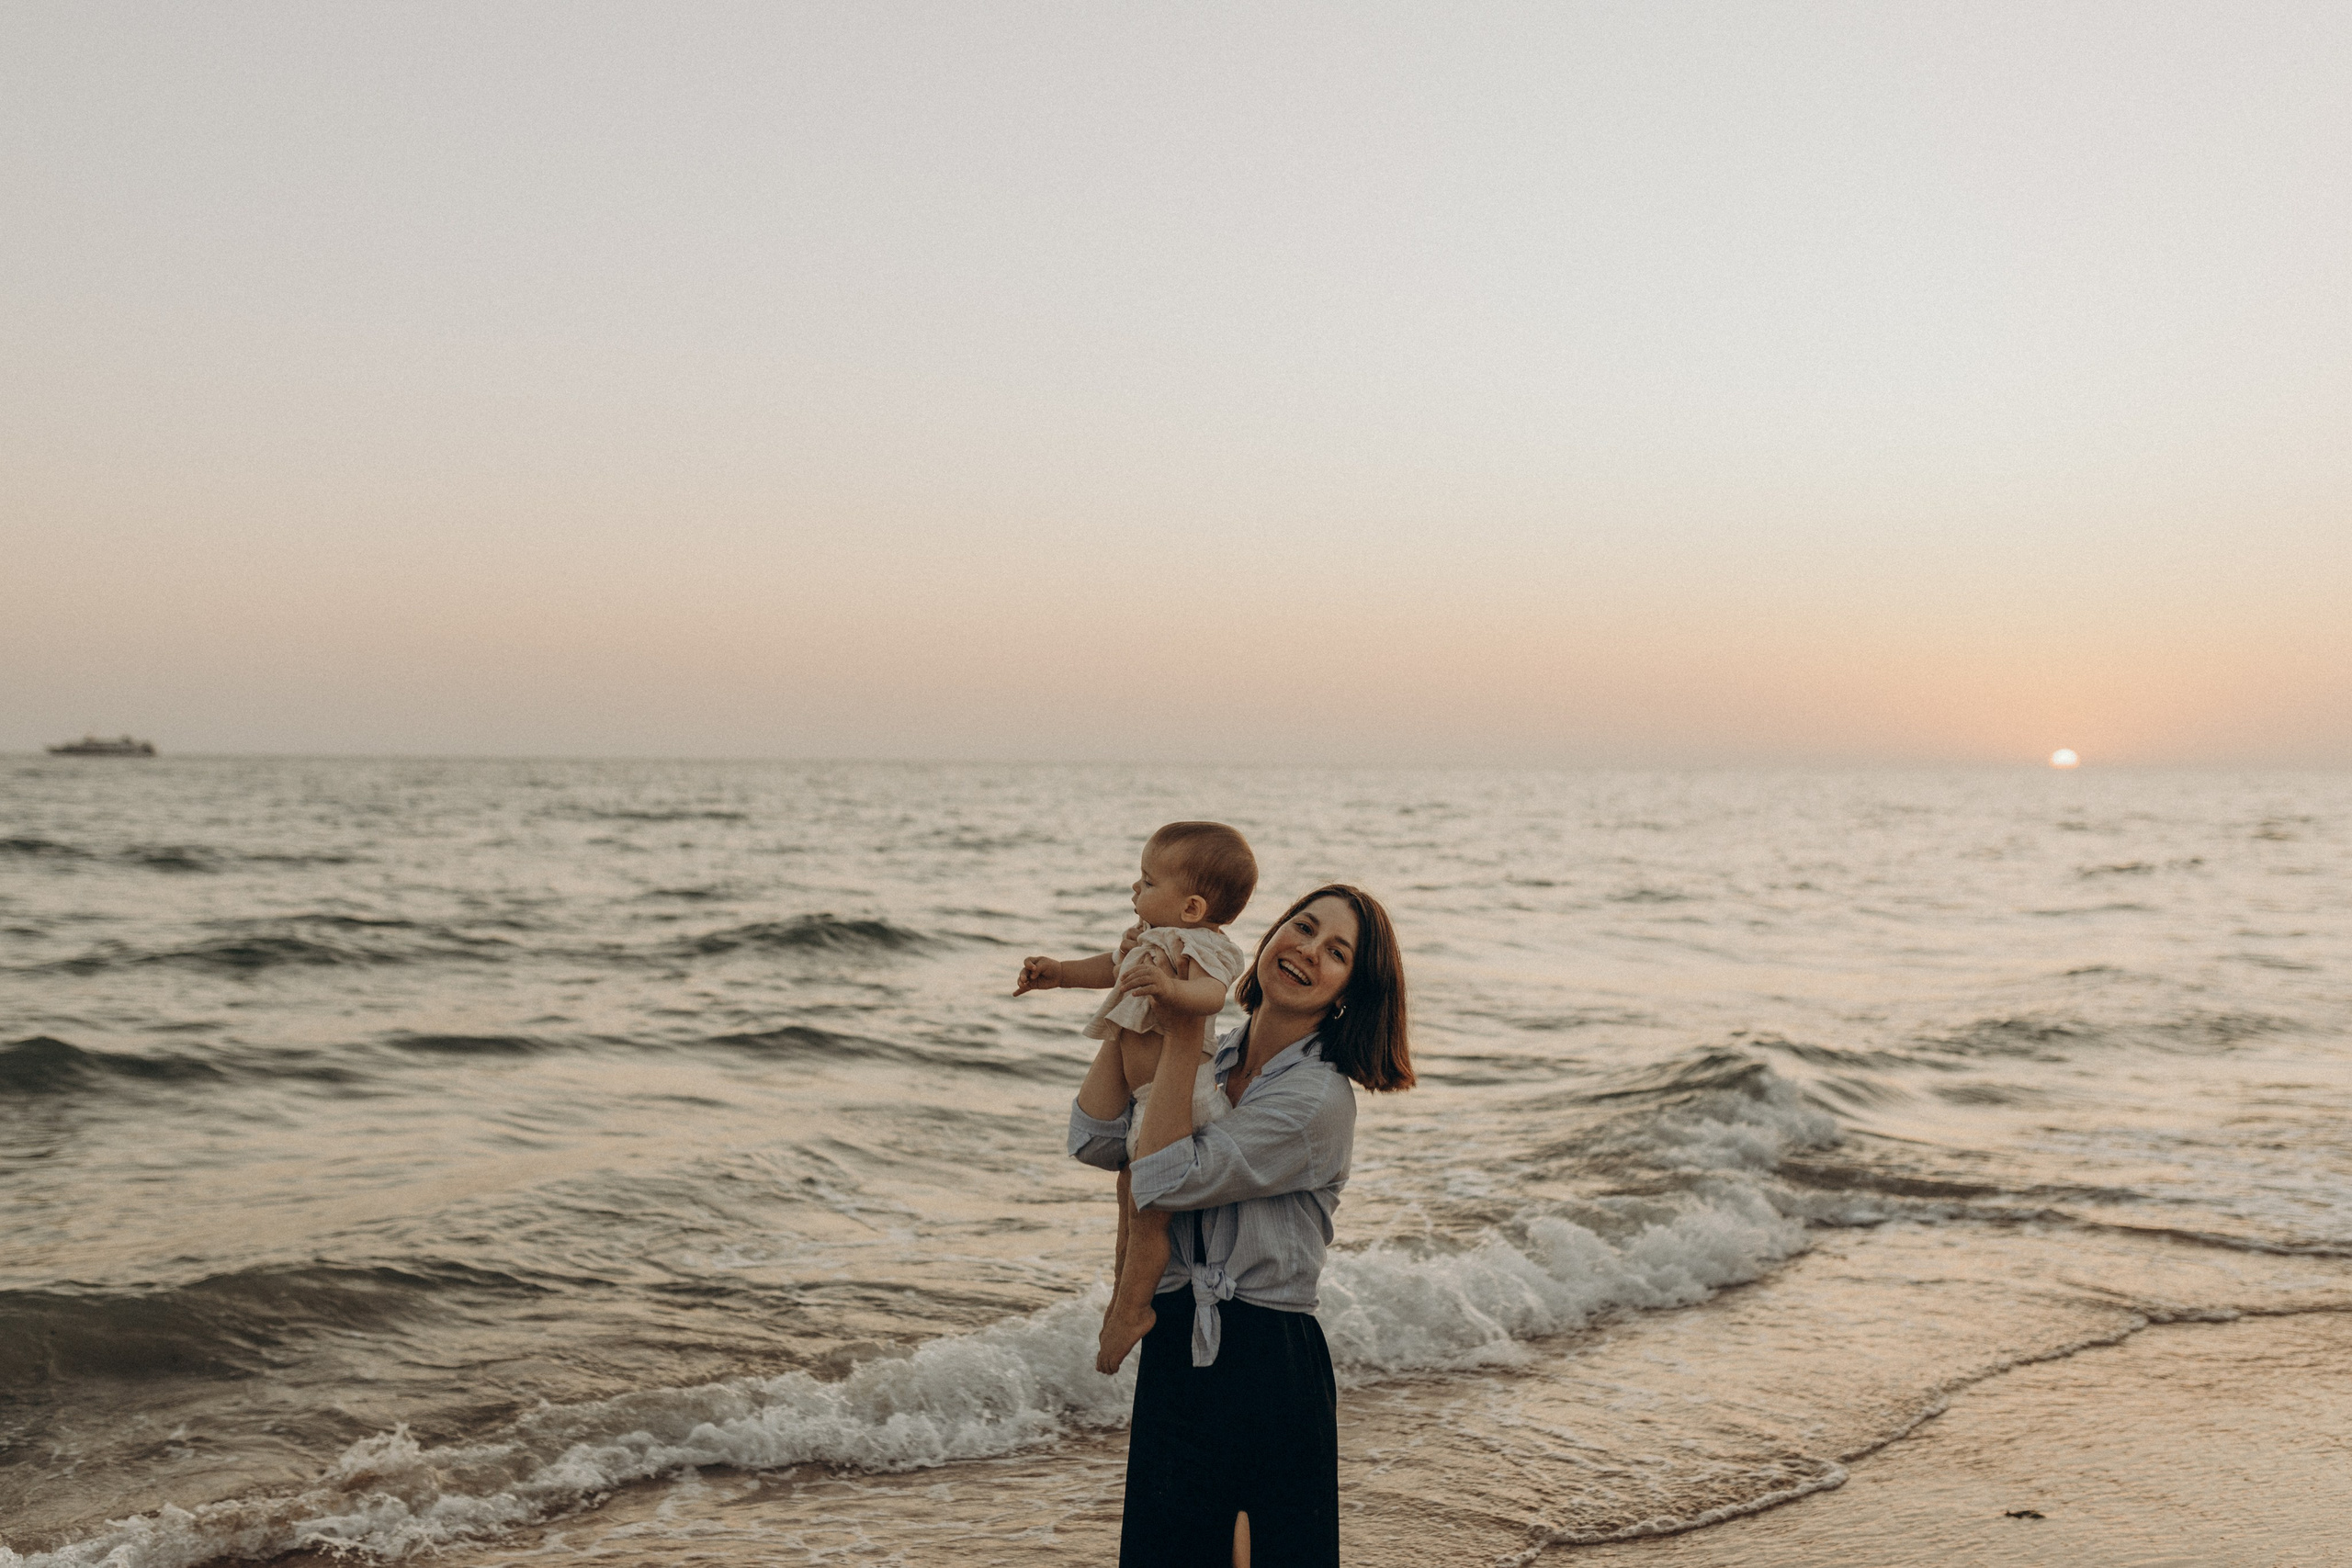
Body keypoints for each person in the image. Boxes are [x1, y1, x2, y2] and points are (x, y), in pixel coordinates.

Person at [1069, 884, 1415, 1568]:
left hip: (1265, 1356)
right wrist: (1132, 1007)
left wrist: (1181, 1027)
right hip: (1175, 1339)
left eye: (1336, 951)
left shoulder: (1317, 1098)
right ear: (1269, 934)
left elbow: (1163, 1177)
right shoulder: (1213, 1058)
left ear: (1349, 990)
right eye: (1303, 927)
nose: (1308, 951)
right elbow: (1095, 1139)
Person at [1016, 822, 1259, 1372]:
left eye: (1148, 882)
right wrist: (1059, 974)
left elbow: (1211, 995)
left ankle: (1133, 1309)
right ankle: (1124, 1290)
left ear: (1193, 907)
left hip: (1183, 1099)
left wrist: (1173, 990)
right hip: (1145, 1100)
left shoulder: (1204, 947)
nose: (1135, 890)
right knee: (1129, 1199)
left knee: (1148, 1213)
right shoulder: (1150, 937)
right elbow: (1110, 968)